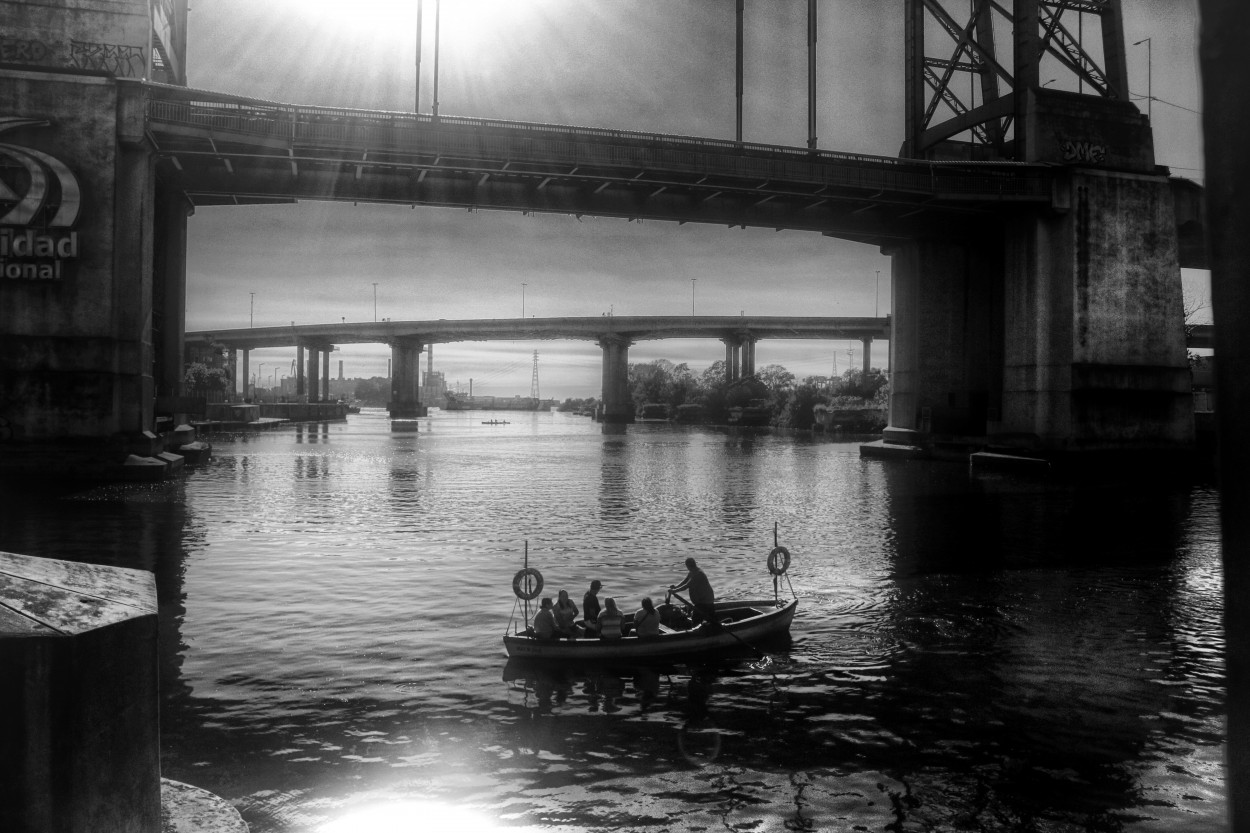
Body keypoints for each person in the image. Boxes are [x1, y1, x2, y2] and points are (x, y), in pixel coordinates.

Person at [670, 557, 717, 627]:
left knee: (697, 619)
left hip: (706, 602)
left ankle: (699, 633)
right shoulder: (692, 571)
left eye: (687, 566)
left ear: (688, 566)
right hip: (700, 602)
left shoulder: (698, 574)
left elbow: (687, 585)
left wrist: (675, 591)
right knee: (700, 618)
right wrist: (676, 587)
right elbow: (685, 581)